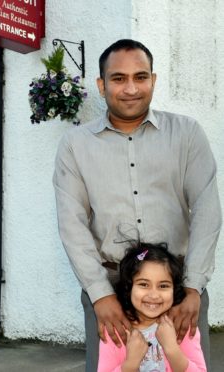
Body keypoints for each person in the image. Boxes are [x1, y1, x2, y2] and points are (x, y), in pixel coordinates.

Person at [53, 38, 221, 372]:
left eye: (140, 77)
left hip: (178, 286)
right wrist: (100, 294)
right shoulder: (75, 145)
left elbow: (207, 210)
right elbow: (71, 222)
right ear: (102, 85)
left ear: (153, 80)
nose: (131, 88)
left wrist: (192, 287)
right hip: (110, 288)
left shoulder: (187, 134)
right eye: (118, 78)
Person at [98, 242, 206, 371]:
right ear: (129, 287)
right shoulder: (116, 329)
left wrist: (172, 349)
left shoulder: (182, 325)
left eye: (163, 286)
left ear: (174, 290)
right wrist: (131, 363)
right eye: (144, 284)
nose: (154, 295)